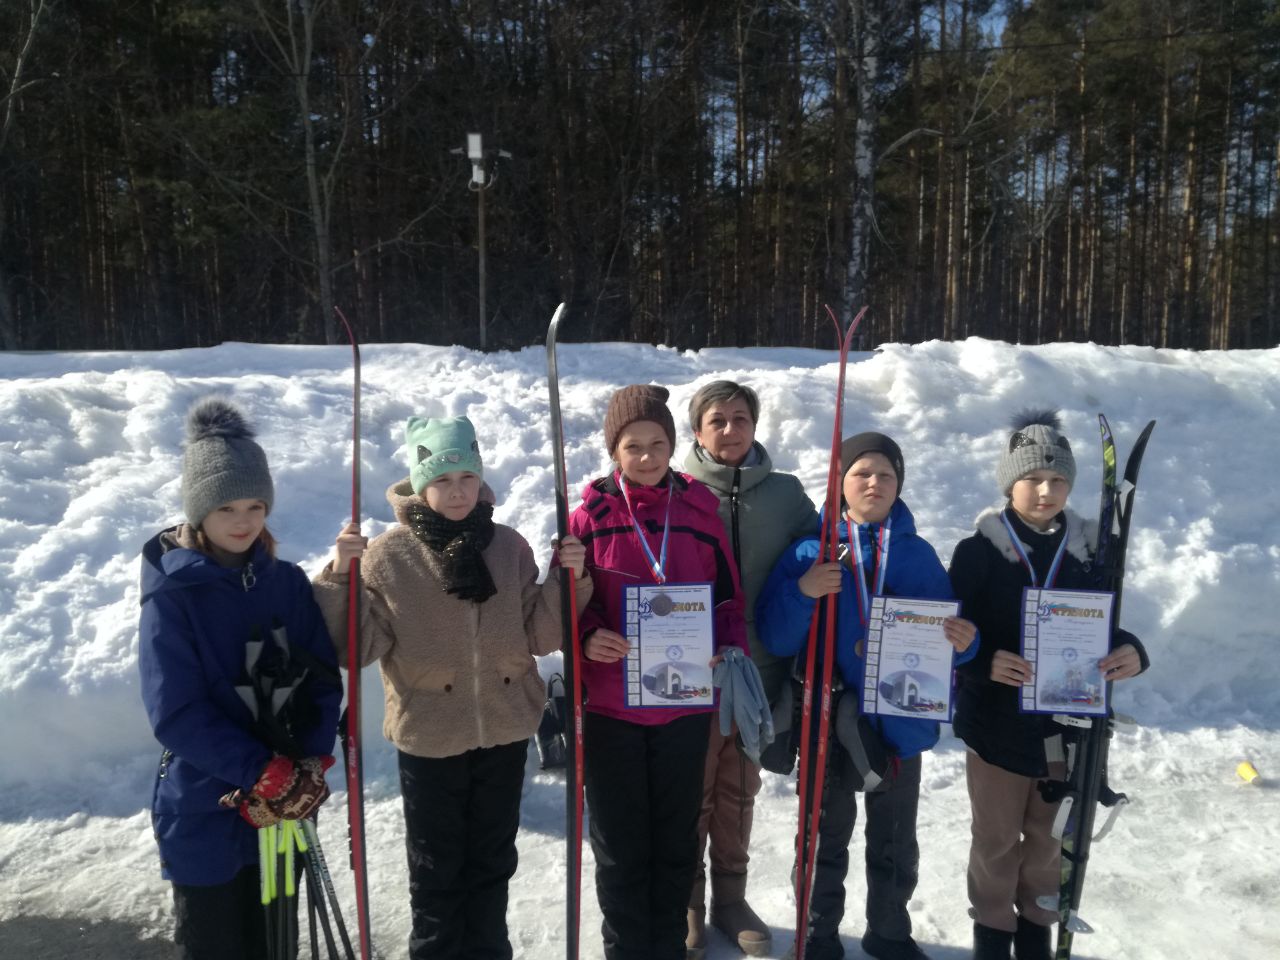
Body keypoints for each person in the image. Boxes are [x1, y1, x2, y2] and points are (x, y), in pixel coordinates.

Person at [313, 415, 590, 960]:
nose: (457, 490)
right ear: (420, 485)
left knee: (492, 861)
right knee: (437, 868)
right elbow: (357, 648)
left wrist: (568, 578)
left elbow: (541, 633)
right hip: (430, 736)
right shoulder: (389, 556)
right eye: (442, 480)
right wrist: (339, 578)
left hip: (506, 727)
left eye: (466, 477)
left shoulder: (509, 546)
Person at [757, 432, 979, 960]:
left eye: (886, 474)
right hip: (827, 719)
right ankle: (818, 935)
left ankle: (888, 932)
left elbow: (950, 634)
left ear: (899, 484)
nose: (874, 483)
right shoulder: (811, 551)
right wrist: (802, 591)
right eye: (861, 473)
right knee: (823, 835)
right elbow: (775, 635)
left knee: (895, 840)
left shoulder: (917, 554)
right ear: (839, 483)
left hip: (900, 719)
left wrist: (967, 644)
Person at [139, 397, 342, 960]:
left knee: (276, 944)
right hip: (207, 806)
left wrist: (311, 758)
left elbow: (322, 679)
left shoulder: (285, 583)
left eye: (256, 505)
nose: (245, 520)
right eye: (227, 506)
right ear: (199, 509)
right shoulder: (173, 594)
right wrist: (261, 770)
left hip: (281, 811)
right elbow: (175, 711)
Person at [948, 411, 1149, 960]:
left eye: (1058, 480)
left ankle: (1036, 929)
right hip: (996, 725)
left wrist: (1132, 649)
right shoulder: (978, 551)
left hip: (1066, 724)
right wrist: (983, 660)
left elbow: (1102, 625)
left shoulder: (1089, 553)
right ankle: (992, 932)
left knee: (1048, 838)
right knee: (995, 840)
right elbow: (948, 633)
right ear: (1009, 482)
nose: (1046, 490)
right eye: (1033, 478)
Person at [569, 384, 749, 960]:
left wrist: (724, 644)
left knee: (675, 839)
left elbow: (727, 598)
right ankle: (625, 949)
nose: (646, 457)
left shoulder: (700, 511)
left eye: (657, 444)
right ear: (613, 451)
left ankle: (669, 945)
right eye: (632, 446)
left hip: (683, 706)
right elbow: (567, 608)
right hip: (611, 707)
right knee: (620, 844)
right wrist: (588, 636)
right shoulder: (589, 516)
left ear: (673, 445)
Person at [682, 380, 819, 958]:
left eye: (741, 418)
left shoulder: (786, 494)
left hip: (760, 669)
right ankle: (687, 902)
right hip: (691, 668)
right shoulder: (677, 488)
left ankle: (730, 897)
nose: (731, 429)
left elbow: (817, 547)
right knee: (693, 790)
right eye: (718, 420)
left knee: (740, 789)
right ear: (698, 430)